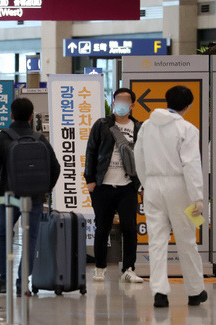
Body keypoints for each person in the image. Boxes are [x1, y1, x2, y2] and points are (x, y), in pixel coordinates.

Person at [134, 86, 208, 308]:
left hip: (153, 185)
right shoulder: (187, 129)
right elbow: (191, 164)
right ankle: (195, 291)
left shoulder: (147, 126)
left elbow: (139, 157)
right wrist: (198, 197)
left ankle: (159, 293)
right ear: (188, 105)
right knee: (186, 240)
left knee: (157, 241)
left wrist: (147, 183)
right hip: (179, 186)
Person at [0, 98, 60, 294]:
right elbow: (56, 167)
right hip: (34, 198)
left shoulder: (2, 138)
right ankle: (22, 283)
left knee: (4, 237)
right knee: (30, 238)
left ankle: (3, 281)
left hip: (8, 197)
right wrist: (45, 188)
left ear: (11, 114)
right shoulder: (39, 138)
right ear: (30, 116)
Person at [84, 88, 144, 284]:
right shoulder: (102, 125)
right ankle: (100, 267)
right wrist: (90, 180)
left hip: (127, 186)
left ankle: (128, 268)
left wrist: (141, 183)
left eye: (126, 100)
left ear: (133, 105)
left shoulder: (139, 128)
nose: (121, 103)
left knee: (129, 228)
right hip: (103, 185)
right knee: (102, 227)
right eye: (118, 100)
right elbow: (91, 151)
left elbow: (144, 156)